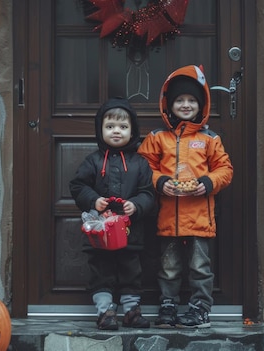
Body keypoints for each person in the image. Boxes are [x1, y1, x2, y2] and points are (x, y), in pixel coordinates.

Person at [138, 65, 233, 328]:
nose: (186, 104)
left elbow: (225, 170)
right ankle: (168, 304)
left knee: (200, 267)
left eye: (192, 100)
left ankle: (199, 308)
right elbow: (144, 167)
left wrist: (207, 182)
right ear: (169, 105)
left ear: (201, 106)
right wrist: (160, 182)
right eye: (180, 100)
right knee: (168, 266)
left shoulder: (209, 139)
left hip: (200, 218)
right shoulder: (158, 138)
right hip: (168, 217)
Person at [69, 97, 156, 330]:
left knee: (132, 271)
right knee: (102, 271)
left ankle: (131, 311)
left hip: (130, 231)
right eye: (110, 127)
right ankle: (105, 312)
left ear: (132, 131)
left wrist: (136, 205)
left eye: (123, 127)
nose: (116, 131)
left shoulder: (140, 164)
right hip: (101, 231)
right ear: (100, 130)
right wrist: (93, 200)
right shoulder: (94, 161)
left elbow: (149, 193)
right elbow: (77, 186)